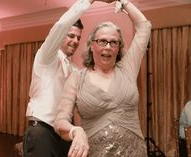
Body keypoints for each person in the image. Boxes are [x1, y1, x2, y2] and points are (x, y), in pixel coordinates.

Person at [54, 0, 152, 156]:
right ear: (92, 45)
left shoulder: (128, 69)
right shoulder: (77, 78)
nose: (108, 46)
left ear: (118, 47)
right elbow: (60, 121)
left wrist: (124, 1)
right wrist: (75, 131)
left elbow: (144, 26)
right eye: (102, 41)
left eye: (114, 42)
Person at [22, 2, 85, 157]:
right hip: (42, 131)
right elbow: (61, 25)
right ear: (61, 36)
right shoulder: (47, 56)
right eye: (71, 35)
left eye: (78, 37)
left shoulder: (73, 69)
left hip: (63, 133)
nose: (76, 41)